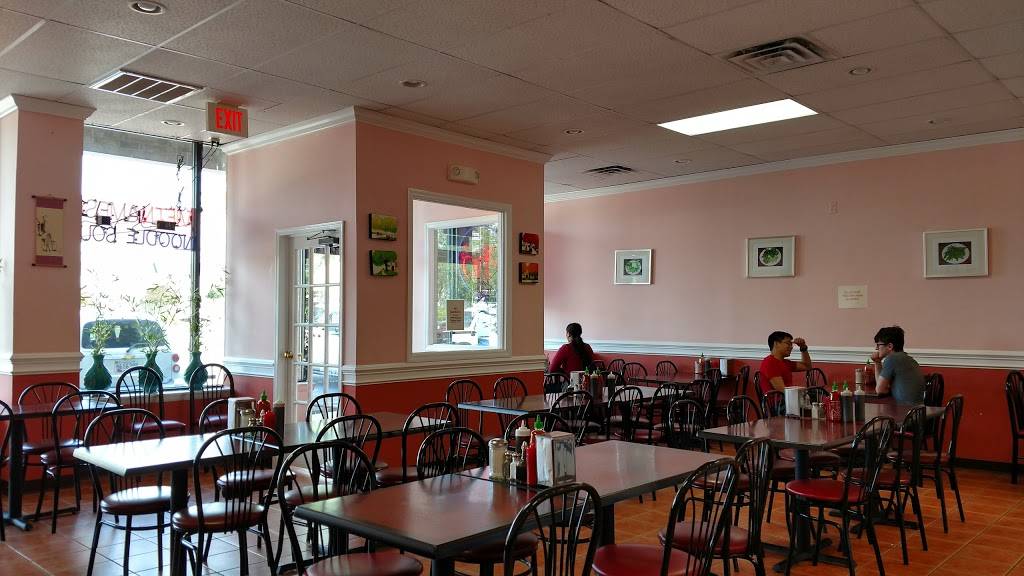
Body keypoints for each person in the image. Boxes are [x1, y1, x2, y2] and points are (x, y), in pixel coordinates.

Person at [871, 325, 924, 404]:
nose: (876, 348)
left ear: (890, 346)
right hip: (918, 409)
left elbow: (880, 390)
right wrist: (877, 362)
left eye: (878, 345)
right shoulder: (908, 359)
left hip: (905, 410)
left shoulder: (891, 359)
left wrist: (877, 362)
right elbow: (882, 387)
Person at [758, 331, 812, 395]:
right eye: (788, 343)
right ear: (776, 344)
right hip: (780, 400)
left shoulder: (785, 362)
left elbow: (807, 366)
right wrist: (802, 394)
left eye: (791, 344)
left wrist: (803, 348)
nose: (791, 347)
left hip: (789, 398)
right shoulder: (769, 362)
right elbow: (782, 390)